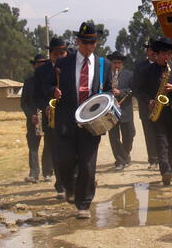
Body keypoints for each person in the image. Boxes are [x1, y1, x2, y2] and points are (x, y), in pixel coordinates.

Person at [46, 22, 113, 219]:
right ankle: (70, 186)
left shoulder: (104, 65)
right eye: (85, 42)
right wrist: (53, 91)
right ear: (77, 41)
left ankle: (83, 204)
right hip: (66, 120)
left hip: (91, 123)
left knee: (87, 164)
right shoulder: (63, 63)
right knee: (64, 160)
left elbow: (108, 90)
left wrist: (108, 100)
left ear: (96, 42)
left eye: (92, 42)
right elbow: (49, 84)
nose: (88, 46)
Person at [140, 37, 172, 185]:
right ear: (156, 54)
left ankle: (170, 169)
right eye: (164, 54)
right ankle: (165, 170)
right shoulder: (147, 70)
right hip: (157, 112)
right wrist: (149, 101)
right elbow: (140, 90)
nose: (167, 57)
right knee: (161, 142)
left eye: (169, 54)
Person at [33, 37, 68, 198]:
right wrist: (45, 106)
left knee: (71, 152)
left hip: (71, 117)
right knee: (56, 152)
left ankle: (71, 182)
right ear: (51, 54)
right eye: (56, 53)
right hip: (51, 119)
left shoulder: (73, 66)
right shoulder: (41, 71)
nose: (60, 56)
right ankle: (60, 184)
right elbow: (36, 96)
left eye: (63, 52)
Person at [133, 37, 159, 170]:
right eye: (150, 49)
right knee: (149, 134)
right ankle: (153, 160)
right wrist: (148, 100)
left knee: (162, 133)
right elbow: (136, 88)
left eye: (155, 49)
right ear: (147, 51)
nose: (153, 52)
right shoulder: (139, 66)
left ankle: (164, 159)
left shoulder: (166, 65)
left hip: (162, 106)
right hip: (146, 106)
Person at [21, 54, 48, 183]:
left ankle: (48, 172)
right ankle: (34, 173)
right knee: (33, 146)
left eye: (44, 64)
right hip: (33, 120)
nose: (41, 66)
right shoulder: (28, 82)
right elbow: (24, 103)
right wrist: (31, 114)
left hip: (48, 119)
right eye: (39, 64)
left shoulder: (50, 81)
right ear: (34, 66)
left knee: (49, 145)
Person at [107, 51, 135, 171]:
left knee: (129, 135)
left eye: (119, 63)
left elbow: (133, 90)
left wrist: (121, 92)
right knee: (114, 137)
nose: (116, 65)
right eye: (114, 63)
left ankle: (125, 154)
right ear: (111, 63)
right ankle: (120, 160)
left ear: (122, 63)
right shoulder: (106, 75)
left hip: (126, 110)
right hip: (111, 111)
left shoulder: (129, 75)